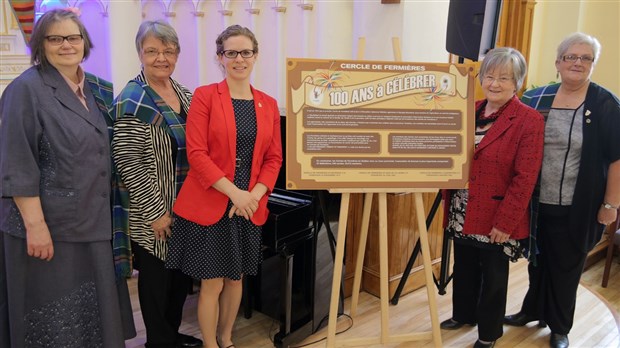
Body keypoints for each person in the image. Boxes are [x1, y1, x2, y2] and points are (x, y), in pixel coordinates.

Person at [0, 9, 135, 347]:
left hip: (91, 221)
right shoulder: (25, 90)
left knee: (90, 320)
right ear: (40, 44)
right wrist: (36, 226)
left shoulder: (93, 89)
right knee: (54, 323)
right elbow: (17, 162)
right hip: (50, 230)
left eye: (72, 37)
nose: (65, 45)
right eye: (55, 38)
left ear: (84, 43)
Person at [165, 25, 282, 348]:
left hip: (249, 206)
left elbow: (274, 159)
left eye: (245, 52)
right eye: (231, 53)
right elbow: (197, 154)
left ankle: (227, 338)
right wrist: (236, 194)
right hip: (213, 202)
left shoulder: (268, 104)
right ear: (220, 58)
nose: (239, 59)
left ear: (255, 56)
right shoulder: (205, 96)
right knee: (212, 282)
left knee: (236, 278)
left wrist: (254, 197)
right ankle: (210, 344)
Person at [504, 32, 620, 348]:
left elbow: (617, 159)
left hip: (579, 205)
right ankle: (532, 310)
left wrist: (611, 204)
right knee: (537, 261)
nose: (578, 63)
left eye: (586, 58)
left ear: (593, 65)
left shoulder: (606, 104)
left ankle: (559, 327)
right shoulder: (536, 99)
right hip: (537, 202)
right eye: (571, 56)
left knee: (567, 267)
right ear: (558, 63)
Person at [439, 47, 545, 348]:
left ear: (518, 82)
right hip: (462, 205)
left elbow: (525, 178)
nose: (494, 83)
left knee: (494, 278)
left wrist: (507, 222)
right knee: (464, 265)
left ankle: (488, 333)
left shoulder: (529, 120)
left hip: (498, 212)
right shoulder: (469, 109)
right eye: (489, 75)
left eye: (504, 77)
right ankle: (463, 314)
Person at [111, 20, 202, 348]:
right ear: (140, 54)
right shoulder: (132, 100)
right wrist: (156, 213)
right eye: (152, 51)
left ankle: (170, 336)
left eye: (168, 50)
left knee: (179, 281)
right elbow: (129, 164)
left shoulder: (184, 94)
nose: (161, 57)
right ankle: (159, 343)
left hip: (186, 207)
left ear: (177, 54)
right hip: (154, 214)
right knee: (157, 282)